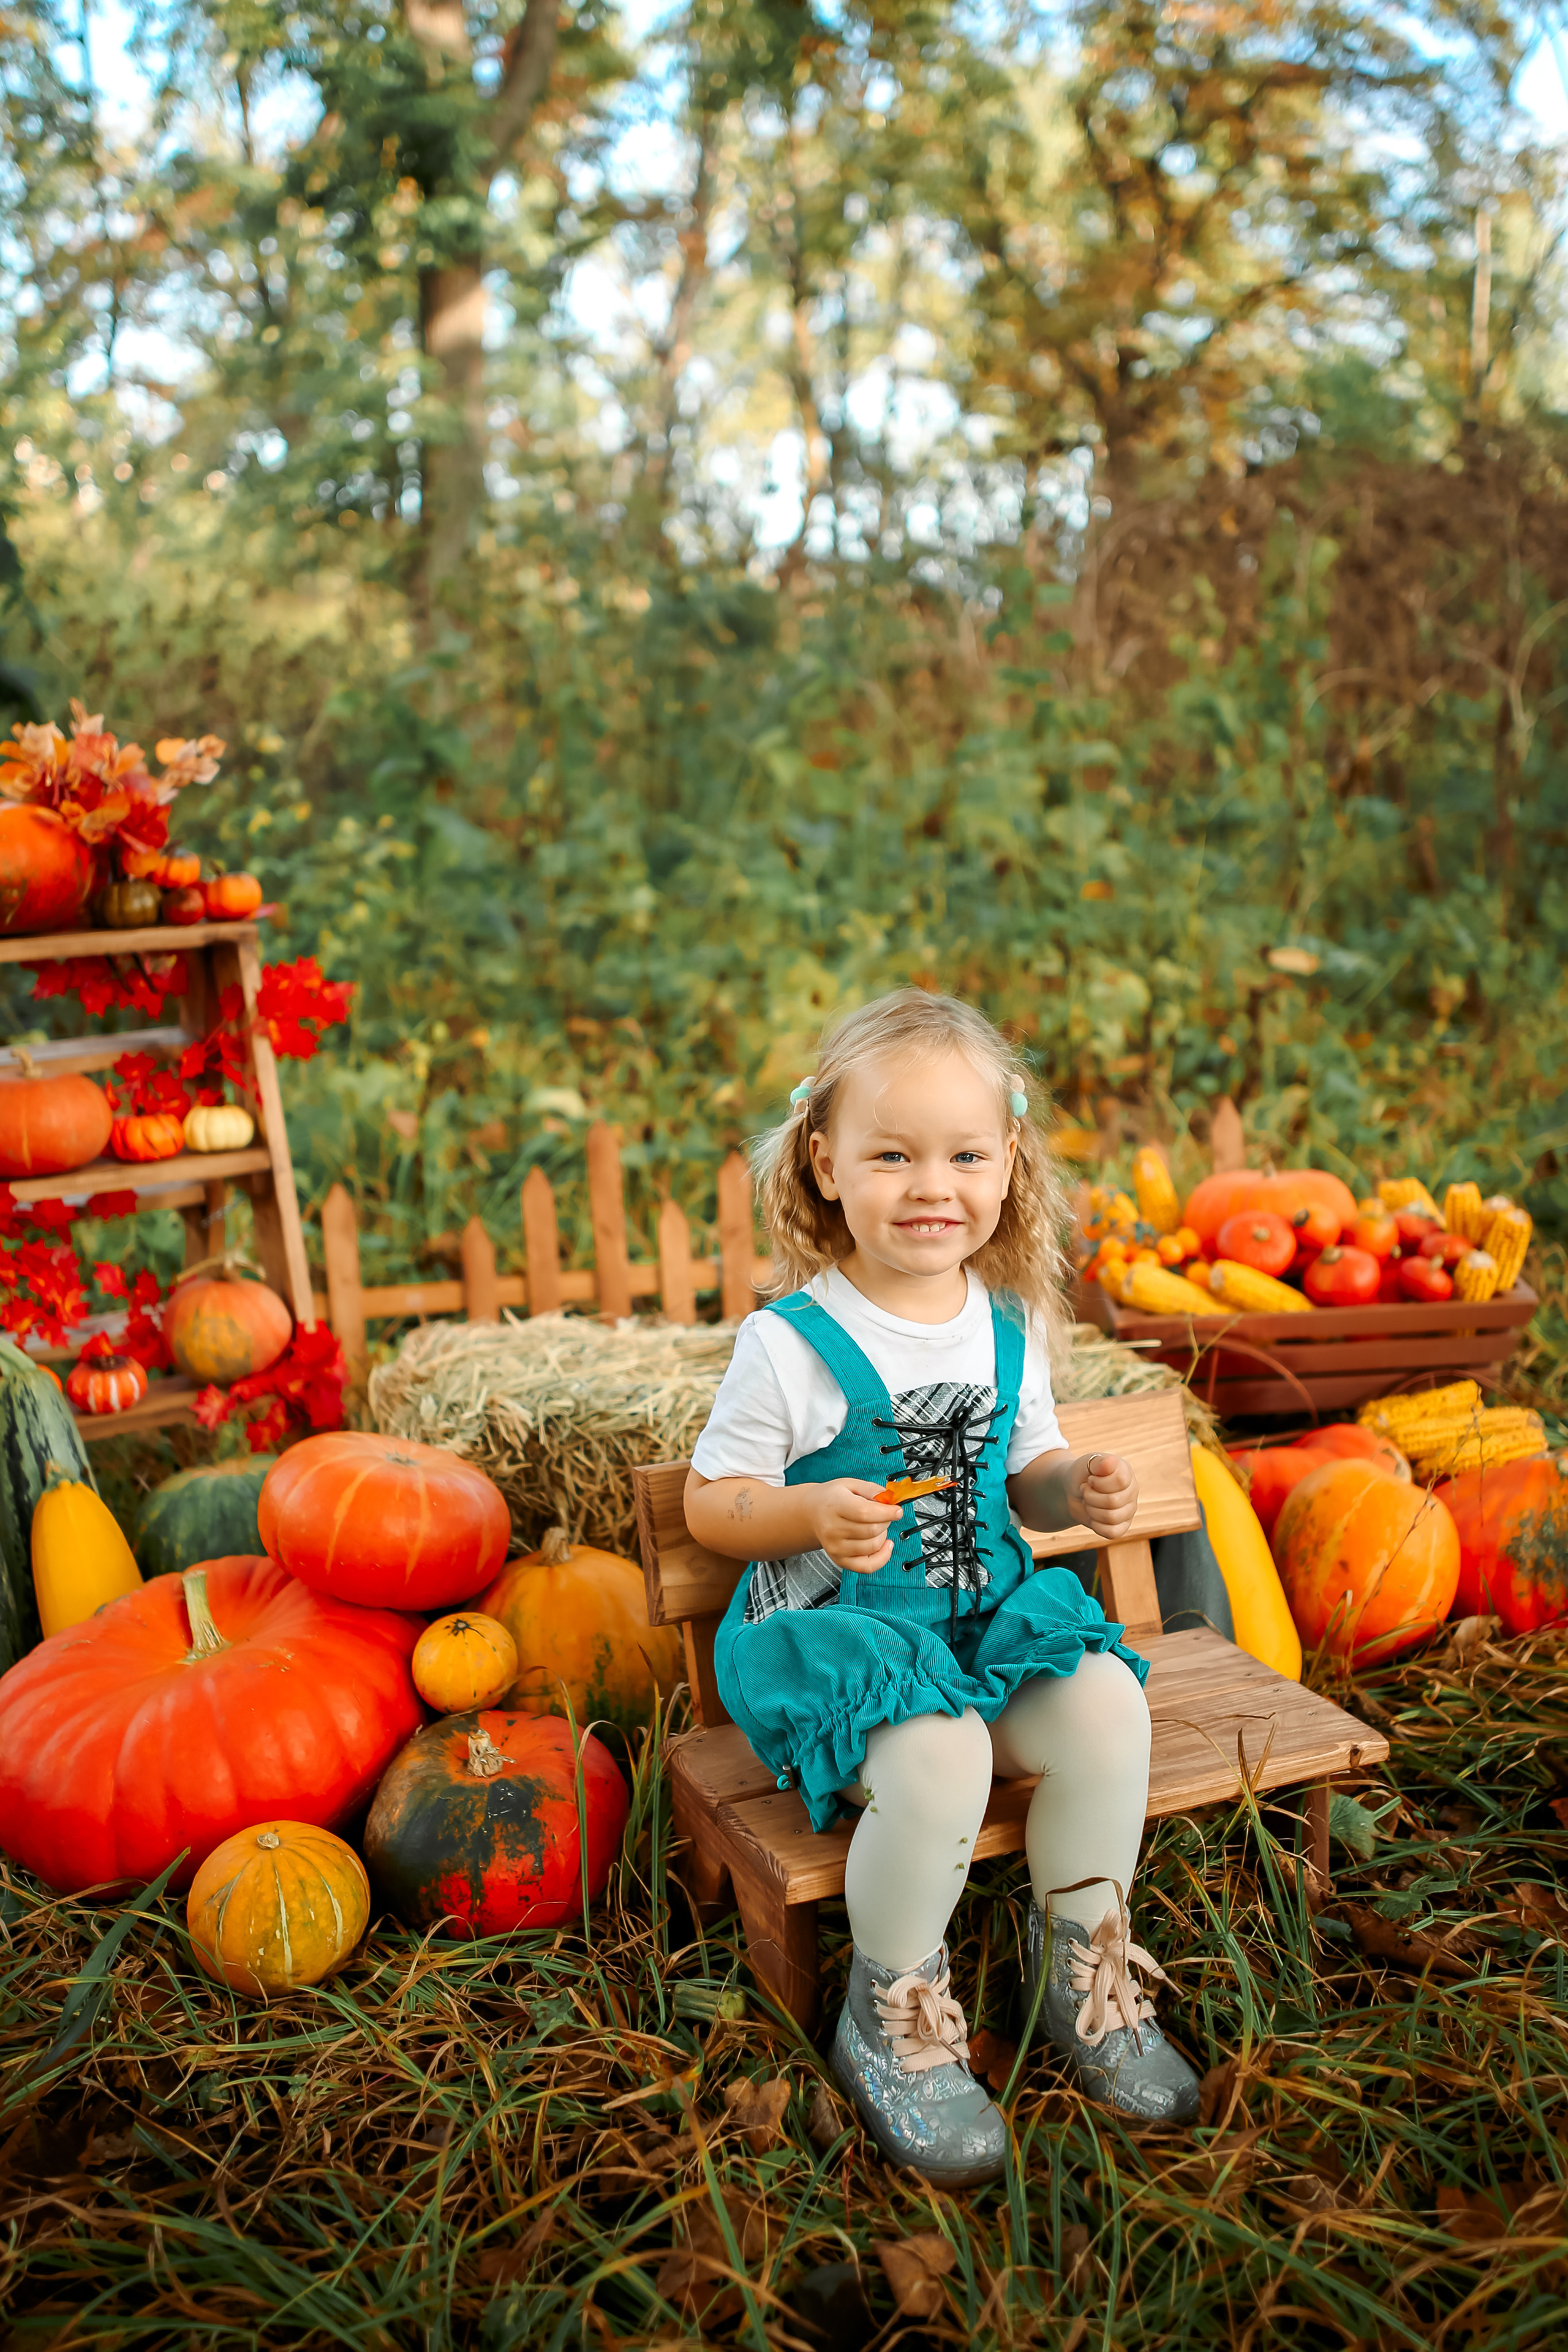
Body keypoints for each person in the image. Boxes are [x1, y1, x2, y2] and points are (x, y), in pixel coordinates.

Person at [685, 990, 1199, 2185]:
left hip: (974, 1620)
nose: (931, 1186)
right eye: (891, 1155)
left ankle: (1085, 1964)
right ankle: (892, 2012)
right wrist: (806, 1512)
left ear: (1007, 1162)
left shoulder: (1003, 1322)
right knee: (944, 1754)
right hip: (840, 1631)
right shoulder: (792, 1343)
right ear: (825, 1164)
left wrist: (1076, 1485)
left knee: (1106, 1709)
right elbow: (718, 1505)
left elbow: (1020, 1475)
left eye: (964, 1155)